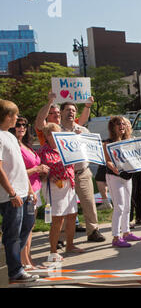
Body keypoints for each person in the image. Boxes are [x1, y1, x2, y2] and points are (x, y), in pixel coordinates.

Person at [0, 100, 38, 283]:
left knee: (27, 224)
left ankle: (12, 261)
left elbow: (21, 166)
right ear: (7, 116)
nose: (17, 118)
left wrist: (30, 190)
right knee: (12, 233)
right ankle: (15, 271)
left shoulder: (10, 136)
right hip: (10, 197)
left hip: (24, 193)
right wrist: (12, 193)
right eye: (15, 115)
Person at [60, 101, 105, 242]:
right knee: (64, 206)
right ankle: (62, 237)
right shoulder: (57, 131)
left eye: (73, 110)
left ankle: (93, 231)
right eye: (67, 110)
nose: (71, 112)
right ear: (61, 112)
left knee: (89, 203)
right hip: (64, 175)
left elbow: (92, 149)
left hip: (82, 172)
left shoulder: (83, 131)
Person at [38, 123, 84, 262]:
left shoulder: (65, 147)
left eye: (57, 133)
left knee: (72, 215)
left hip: (68, 184)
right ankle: (53, 251)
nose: (55, 136)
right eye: (51, 134)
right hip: (53, 187)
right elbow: (39, 171)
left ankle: (70, 245)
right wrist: (49, 175)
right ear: (46, 136)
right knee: (58, 219)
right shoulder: (42, 151)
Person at [9, 117, 49, 270]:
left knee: (29, 227)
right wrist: (37, 170)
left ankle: (28, 260)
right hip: (23, 190)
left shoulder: (25, 145)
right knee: (24, 228)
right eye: (18, 125)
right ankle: (22, 262)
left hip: (35, 188)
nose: (21, 127)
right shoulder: (13, 146)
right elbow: (15, 172)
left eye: (24, 125)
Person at [103, 116, 141, 248]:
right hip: (114, 177)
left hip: (128, 176)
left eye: (123, 124)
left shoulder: (129, 141)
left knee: (127, 206)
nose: (121, 126)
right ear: (112, 127)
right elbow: (107, 160)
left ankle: (126, 232)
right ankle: (116, 237)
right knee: (119, 206)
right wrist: (112, 167)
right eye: (118, 124)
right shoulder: (108, 143)